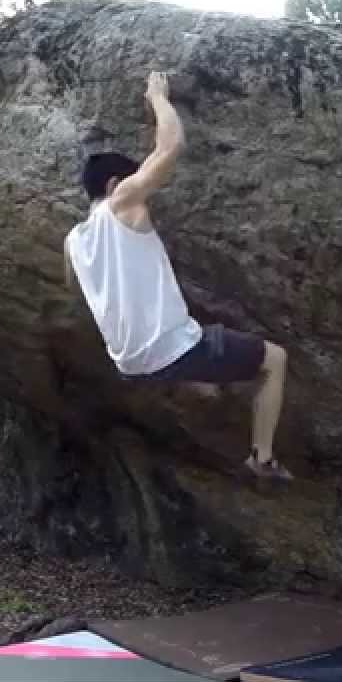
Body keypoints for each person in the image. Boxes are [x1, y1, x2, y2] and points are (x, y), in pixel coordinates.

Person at [63, 71, 293, 481]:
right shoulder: (120, 203)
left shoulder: (74, 241)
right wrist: (157, 96)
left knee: (201, 349)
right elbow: (171, 146)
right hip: (171, 348)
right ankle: (262, 459)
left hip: (129, 363)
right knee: (275, 359)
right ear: (116, 184)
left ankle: (203, 379)